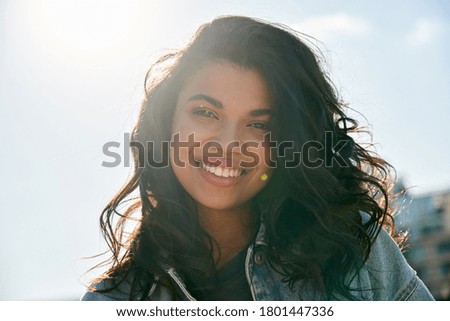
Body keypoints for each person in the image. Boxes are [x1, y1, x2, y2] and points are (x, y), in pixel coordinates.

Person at [82, 16, 433, 301]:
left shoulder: (350, 252)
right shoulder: (112, 301)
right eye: (206, 112)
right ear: (166, 121)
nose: (229, 144)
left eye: (259, 124)